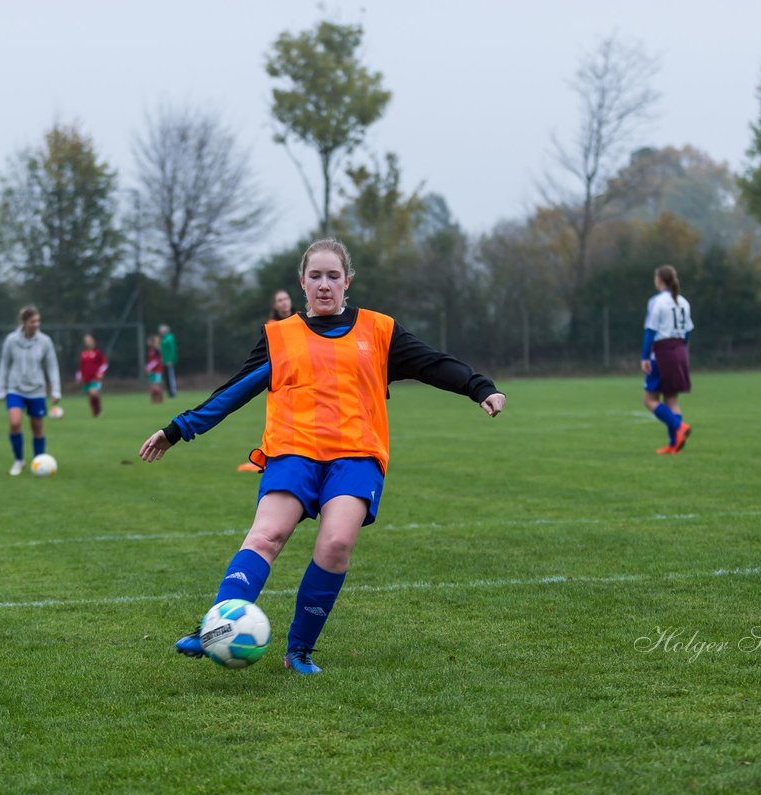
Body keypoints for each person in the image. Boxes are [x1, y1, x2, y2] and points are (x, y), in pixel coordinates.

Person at [138, 238, 507, 675]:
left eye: (334, 276)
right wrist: (178, 429)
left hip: (356, 455)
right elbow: (234, 392)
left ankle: (299, 649)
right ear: (302, 283)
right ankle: (216, 626)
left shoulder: (379, 330)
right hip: (293, 451)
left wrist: (479, 387)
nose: (325, 284)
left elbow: (432, 363)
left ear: (347, 282)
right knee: (265, 536)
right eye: (316, 276)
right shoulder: (280, 336)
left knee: (335, 544)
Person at [237, 289, 298, 472]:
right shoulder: (272, 327)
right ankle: (269, 457)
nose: (284, 302)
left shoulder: (303, 320)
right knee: (279, 422)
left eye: (286, 298)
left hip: (303, 380)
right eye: (279, 300)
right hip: (282, 383)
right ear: (275, 305)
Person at [0, 305, 61, 476]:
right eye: (33, 321)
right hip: (15, 388)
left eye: (38, 321)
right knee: (15, 423)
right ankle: (18, 460)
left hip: (37, 389)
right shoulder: (11, 340)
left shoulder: (45, 341)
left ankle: (39, 461)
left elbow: (52, 366)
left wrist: (56, 390)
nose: (36, 324)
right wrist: (1, 388)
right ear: (24, 322)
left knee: (37, 427)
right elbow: (4, 364)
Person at [640, 264, 694, 455]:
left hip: (662, 352)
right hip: (680, 351)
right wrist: (681, 350)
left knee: (649, 399)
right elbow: (687, 332)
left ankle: (678, 427)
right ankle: (674, 445)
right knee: (671, 399)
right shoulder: (683, 302)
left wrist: (645, 356)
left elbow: (651, 330)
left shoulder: (657, 301)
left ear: (659, 280)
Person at [77, 333, 108, 417]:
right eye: (86, 341)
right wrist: (79, 376)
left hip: (95, 377)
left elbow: (104, 364)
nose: (88, 343)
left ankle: (98, 409)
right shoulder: (83, 353)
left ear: (93, 342)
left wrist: (101, 373)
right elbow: (81, 366)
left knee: (93, 392)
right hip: (86, 378)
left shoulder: (97, 352)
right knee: (91, 396)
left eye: (89, 341)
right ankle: (95, 412)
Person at [158, 324, 178, 398]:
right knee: (167, 377)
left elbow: (172, 350)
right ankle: (169, 392)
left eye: (161, 330)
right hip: (164, 361)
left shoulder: (169, 338)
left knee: (170, 377)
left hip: (169, 361)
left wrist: (170, 360)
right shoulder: (163, 338)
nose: (160, 331)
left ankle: (173, 392)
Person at [145, 336, 165, 404]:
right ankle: (154, 400)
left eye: (149, 341)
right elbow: (150, 360)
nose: (147, 342)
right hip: (152, 370)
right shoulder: (151, 350)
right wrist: (147, 367)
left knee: (156, 385)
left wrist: (149, 368)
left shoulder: (156, 350)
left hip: (156, 370)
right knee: (152, 385)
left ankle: (161, 399)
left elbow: (156, 360)